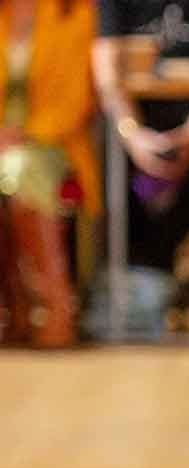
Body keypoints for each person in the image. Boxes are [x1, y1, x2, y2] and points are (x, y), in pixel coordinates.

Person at [90, 0, 189, 287]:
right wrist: (133, 134)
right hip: (134, 119)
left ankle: (155, 263)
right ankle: (135, 265)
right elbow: (107, 71)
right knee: (99, 153)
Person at [0, 0, 96, 347]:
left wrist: (23, 135)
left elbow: (76, 99)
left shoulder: (76, 14)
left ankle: (54, 304)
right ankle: (16, 306)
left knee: (20, 170)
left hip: (55, 143)